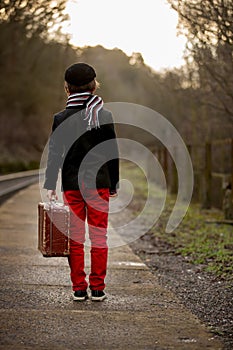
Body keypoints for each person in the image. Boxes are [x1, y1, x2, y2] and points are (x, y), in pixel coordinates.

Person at [43, 62, 119, 301]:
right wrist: (114, 183)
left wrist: (49, 184)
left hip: (72, 185)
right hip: (99, 184)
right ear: (94, 86)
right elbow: (112, 152)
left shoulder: (60, 118)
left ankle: (78, 288)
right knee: (99, 237)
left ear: (67, 89)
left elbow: (54, 153)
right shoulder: (104, 115)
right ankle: (97, 288)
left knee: (75, 238)